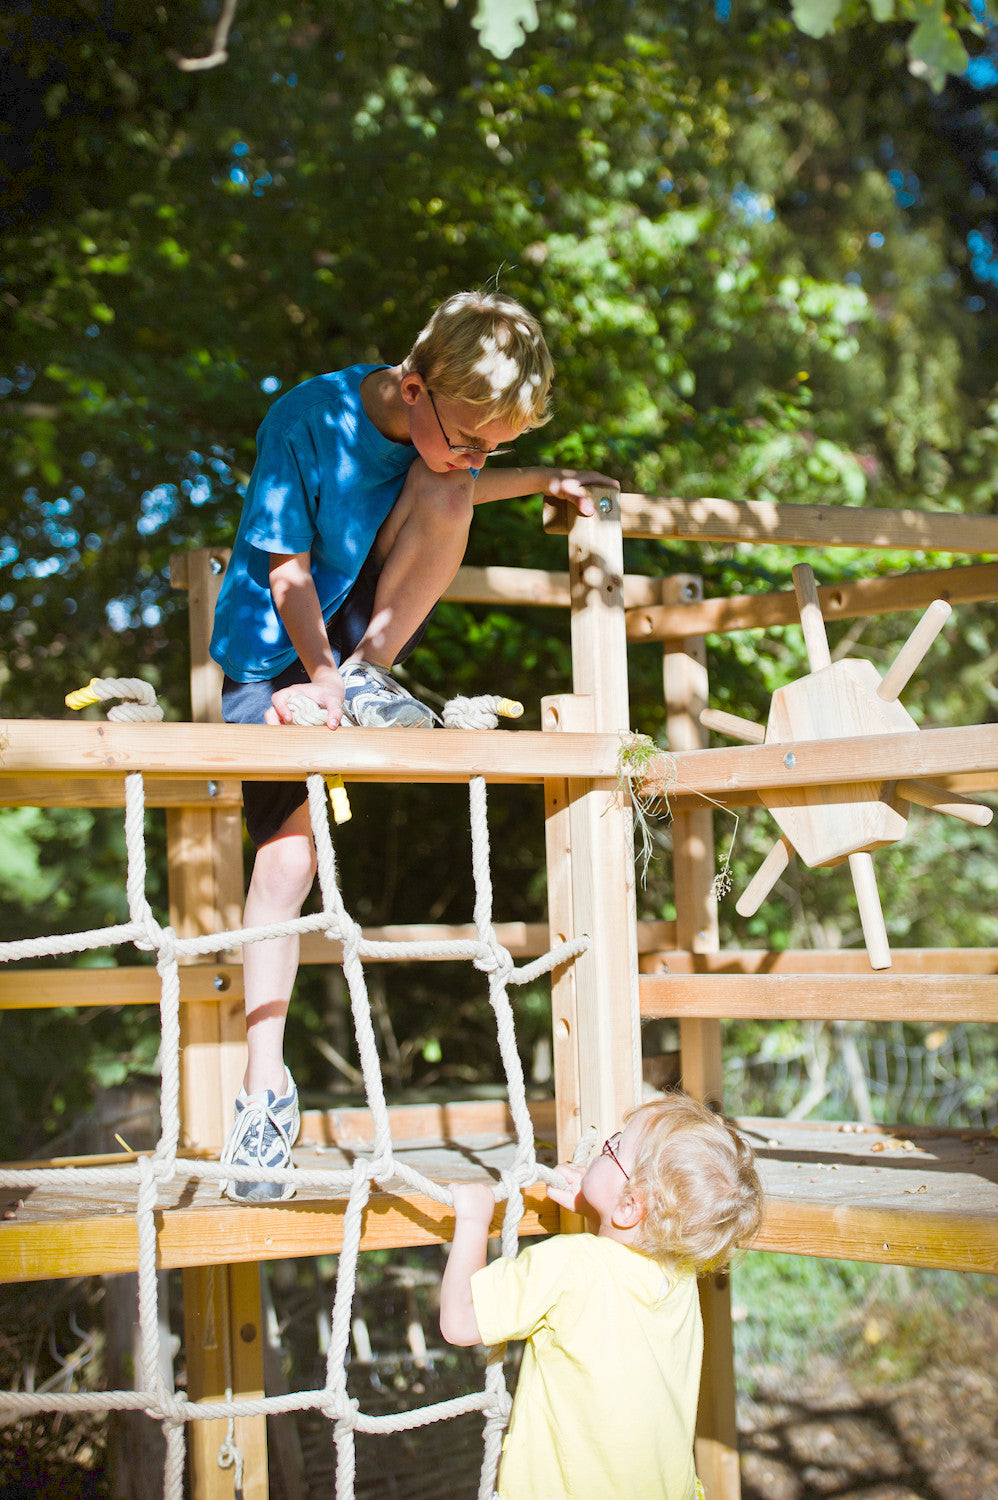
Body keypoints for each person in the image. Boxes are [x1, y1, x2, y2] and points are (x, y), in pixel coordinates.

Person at [211, 288, 619, 1201]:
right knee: (287, 859)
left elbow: (445, 478)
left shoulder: (442, 441)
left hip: (349, 639)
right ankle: (261, 1091)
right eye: (473, 437)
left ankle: (370, 673)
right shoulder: (308, 420)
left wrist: (545, 480)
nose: (481, 459)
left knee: (449, 492)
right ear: (411, 384)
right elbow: (287, 571)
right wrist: (308, 683)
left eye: (497, 449)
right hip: (274, 644)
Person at [439, 1092, 763, 1500]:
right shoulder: (678, 1275)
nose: (604, 1145)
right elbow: (618, 1271)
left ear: (630, 1206)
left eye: (614, 1145)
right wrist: (599, 1207)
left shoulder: (569, 1265)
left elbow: (458, 1321)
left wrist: (473, 1218)